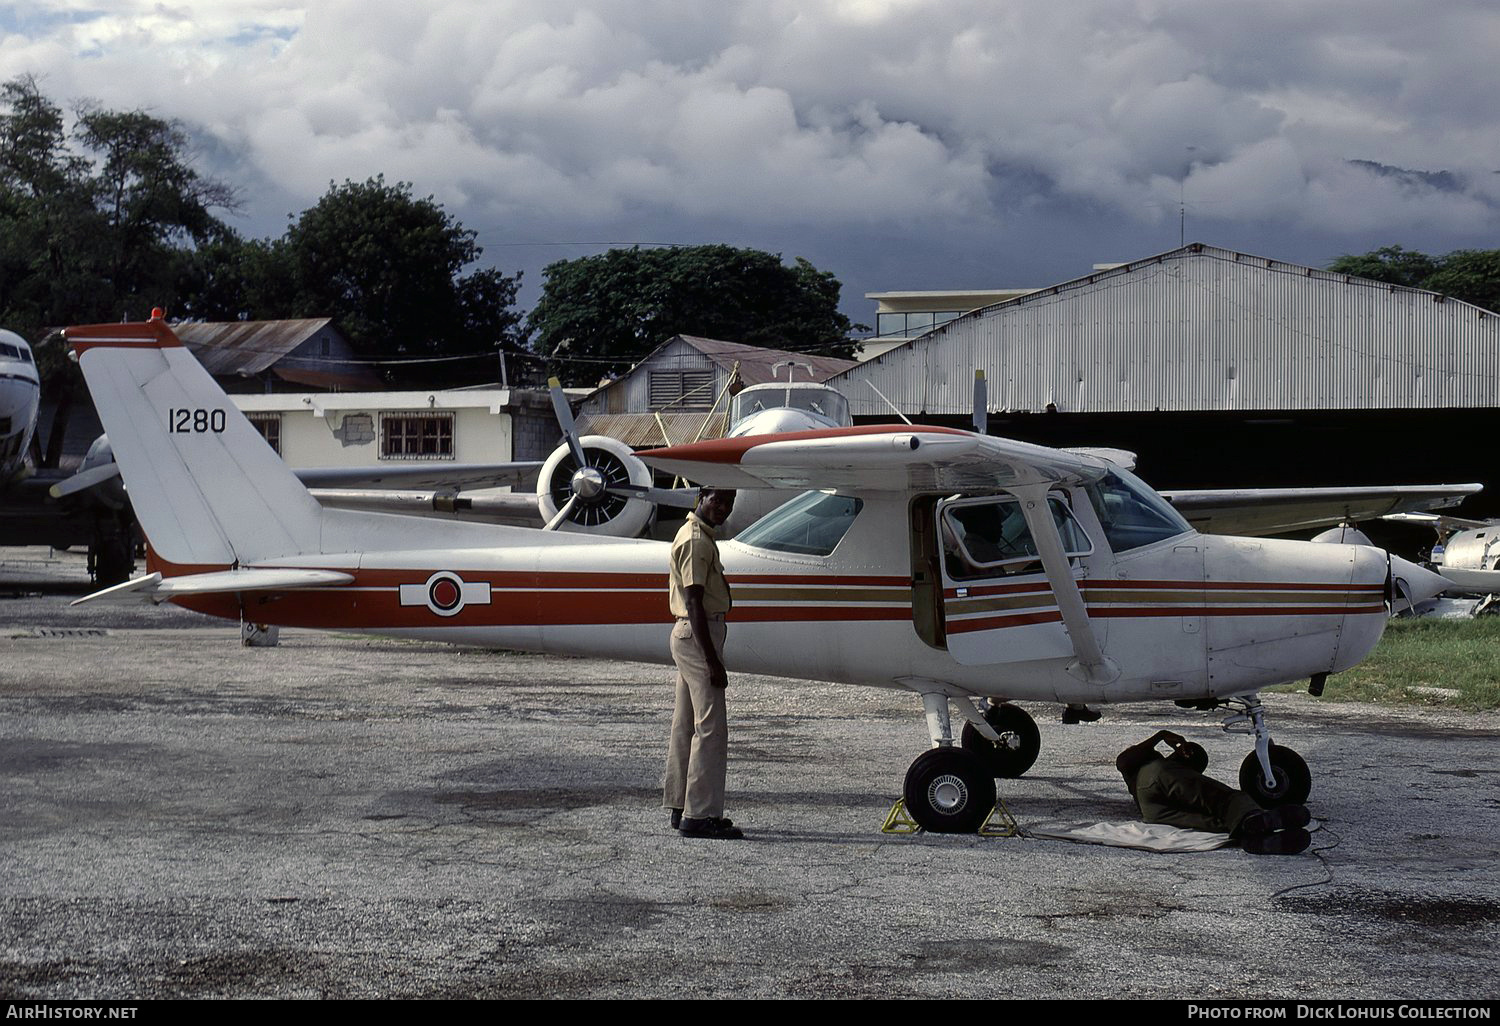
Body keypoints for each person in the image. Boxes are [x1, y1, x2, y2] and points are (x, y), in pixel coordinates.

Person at [663, 487, 742, 839]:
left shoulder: (697, 534)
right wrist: (713, 661)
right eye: (717, 500)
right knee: (710, 727)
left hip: (692, 634)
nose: (723, 508)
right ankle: (700, 814)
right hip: (698, 635)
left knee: (686, 725)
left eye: (729, 502)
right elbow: (694, 601)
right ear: (701, 497)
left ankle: (682, 806)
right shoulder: (696, 540)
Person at [1115, 730, 1312, 855]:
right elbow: (1122, 760)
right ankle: (1255, 817)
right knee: (1225, 800)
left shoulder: (1160, 777)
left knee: (1216, 820)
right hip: (1156, 778)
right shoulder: (1155, 764)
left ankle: (1254, 839)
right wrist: (1160, 735)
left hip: (1153, 812)